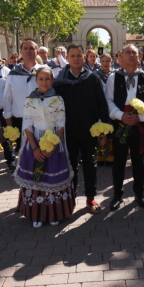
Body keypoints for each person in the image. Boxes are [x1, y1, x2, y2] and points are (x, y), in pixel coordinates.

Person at [14, 67, 75, 228]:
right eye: (41, 79)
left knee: (52, 175)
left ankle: (54, 213)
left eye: (47, 79)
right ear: (36, 81)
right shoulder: (30, 100)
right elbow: (26, 125)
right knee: (37, 176)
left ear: (52, 80)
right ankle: (37, 214)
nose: (44, 82)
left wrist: (53, 144)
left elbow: (61, 124)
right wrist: (34, 148)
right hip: (34, 140)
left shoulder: (58, 100)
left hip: (53, 141)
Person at [53, 44, 109, 214]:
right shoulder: (59, 82)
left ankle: (90, 198)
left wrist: (103, 130)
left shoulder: (93, 79)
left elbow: (102, 105)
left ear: (84, 58)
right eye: (73, 56)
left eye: (79, 55)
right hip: (67, 132)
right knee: (70, 166)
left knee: (90, 164)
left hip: (89, 131)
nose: (76, 59)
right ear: (67, 58)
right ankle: (70, 198)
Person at [106, 45, 144, 210]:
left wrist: (139, 117)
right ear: (121, 56)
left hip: (138, 126)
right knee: (119, 161)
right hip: (120, 124)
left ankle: (139, 193)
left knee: (139, 161)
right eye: (128, 52)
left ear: (139, 56)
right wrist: (120, 115)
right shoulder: (114, 77)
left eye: (134, 52)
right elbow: (109, 100)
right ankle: (117, 195)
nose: (131, 55)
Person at [3, 39, 43, 158]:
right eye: (25, 48)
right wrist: (9, 124)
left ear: (37, 52)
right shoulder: (13, 74)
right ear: (21, 51)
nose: (28, 51)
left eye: (31, 48)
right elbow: (7, 99)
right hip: (19, 121)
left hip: (42, 121)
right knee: (24, 157)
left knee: (42, 156)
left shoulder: (45, 72)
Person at [95, 54, 116, 166]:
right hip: (100, 105)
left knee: (111, 128)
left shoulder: (116, 74)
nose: (105, 63)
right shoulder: (95, 75)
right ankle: (100, 156)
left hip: (112, 104)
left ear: (111, 61)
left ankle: (111, 157)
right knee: (100, 127)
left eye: (107, 61)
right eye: (103, 61)